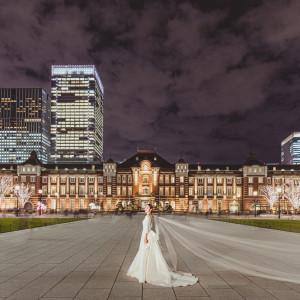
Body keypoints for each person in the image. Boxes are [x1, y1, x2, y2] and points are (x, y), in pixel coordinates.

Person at [127, 203, 198, 287]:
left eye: (147, 208)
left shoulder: (147, 217)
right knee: (150, 253)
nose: (145, 209)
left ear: (151, 209)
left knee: (145, 252)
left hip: (146, 235)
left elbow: (146, 229)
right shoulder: (151, 216)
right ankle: (150, 269)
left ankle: (145, 272)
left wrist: (145, 238)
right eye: (145, 207)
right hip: (150, 235)